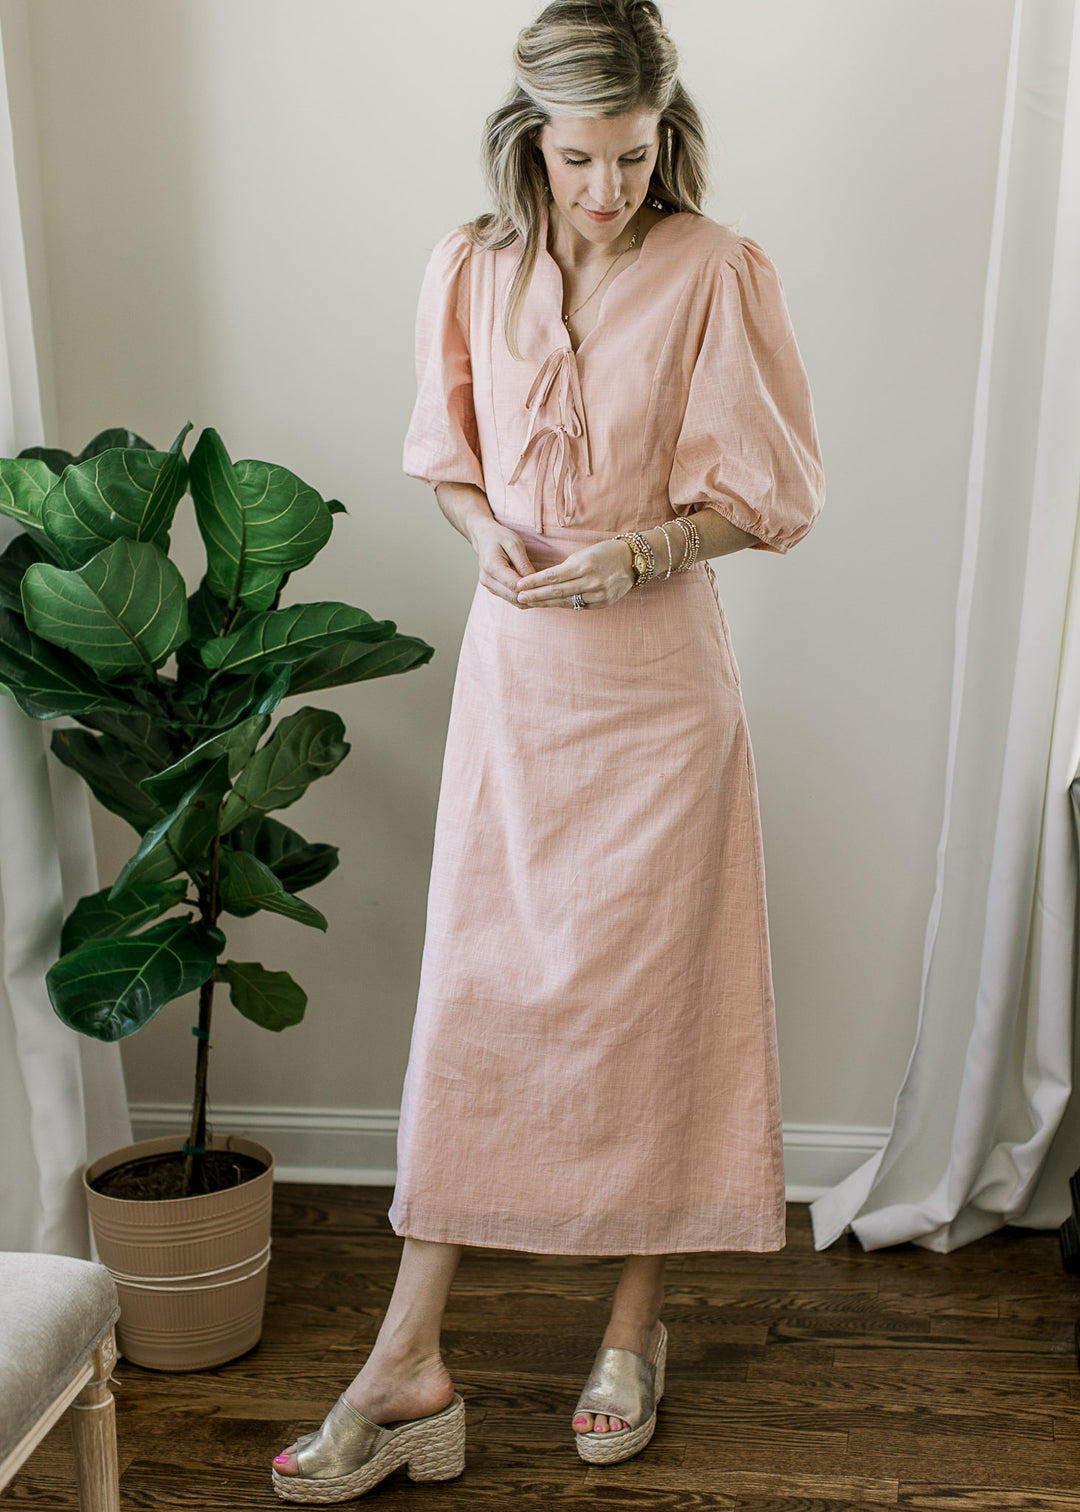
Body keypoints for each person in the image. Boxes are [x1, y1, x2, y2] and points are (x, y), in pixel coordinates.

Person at [272, 0, 824, 1500]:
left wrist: (638, 554)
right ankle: (409, 1362)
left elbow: (773, 496)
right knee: (480, 998)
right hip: (520, 674)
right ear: (533, 139)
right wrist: (490, 536)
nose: (606, 188)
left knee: (660, 998)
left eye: (633, 156)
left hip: (659, 687)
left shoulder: (717, 270)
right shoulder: (472, 262)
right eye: (580, 159)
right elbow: (446, 457)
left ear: (666, 132)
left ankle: (634, 1332)